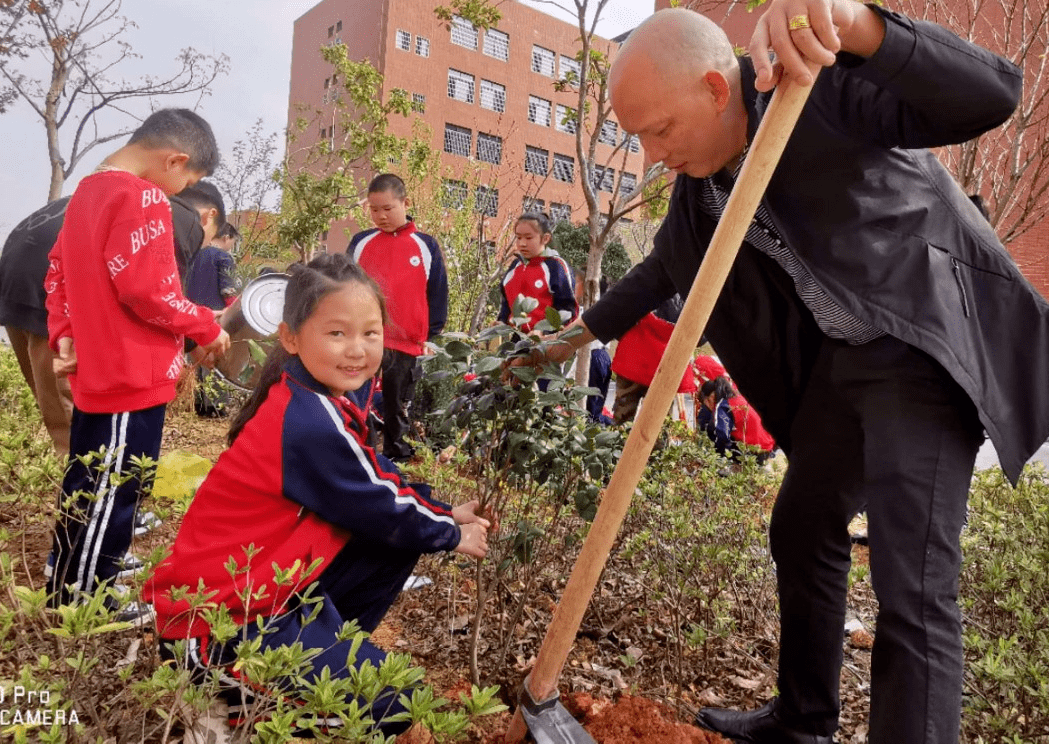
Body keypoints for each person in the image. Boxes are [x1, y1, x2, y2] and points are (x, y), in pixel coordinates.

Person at [527, 2, 1049, 742]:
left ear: (715, 89)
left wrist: (858, 25)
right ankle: (803, 722)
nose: (649, 154)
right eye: (637, 137)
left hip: (924, 346)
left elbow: (989, 94)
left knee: (913, 582)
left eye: (658, 131)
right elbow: (660, 271)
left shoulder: (817, 89)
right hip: (848, 365)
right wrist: (570, 336)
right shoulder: (702, 188)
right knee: (803, 525)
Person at [146, 254, 489, 736]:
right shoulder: (308, 421)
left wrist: (443, 510)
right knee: (398, 704)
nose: (357, 350)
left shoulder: (316, 397)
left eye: (371, 333)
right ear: (290, 337)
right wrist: (450, 533)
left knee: (390, 542)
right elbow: (379, 502)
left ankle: (311, 658)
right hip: (214, 635)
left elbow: (374, 474)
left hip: (265, 600)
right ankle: (242, 705)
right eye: (336, 333)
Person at [44, 108, 231, 619]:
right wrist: (206, 326)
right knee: (116, 485)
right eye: (186, 181)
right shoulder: (143, 196)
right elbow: (148, 290)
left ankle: (73, 568)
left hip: (98, 371)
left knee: (89, 477)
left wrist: (64, 335)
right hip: (131, 373)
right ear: (175, 159)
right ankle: (86, 598)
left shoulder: (86, 193)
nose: (179, 192)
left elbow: (57, 272)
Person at [348, 173, 448, 462]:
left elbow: (438, 292)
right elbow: (342, 285)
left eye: (387, 209)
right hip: (363, 337)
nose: (380, 216)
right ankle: (359, 452)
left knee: (397, 405)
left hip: (406, 342)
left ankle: (397, 458)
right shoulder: (361, 242)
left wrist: (431, 336)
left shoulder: (425, 245)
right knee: (356, 397)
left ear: (405, 203)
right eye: (374, 209)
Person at [0, 198, 74, 456]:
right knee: (68, 402)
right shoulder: (155, 208)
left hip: (14, 291)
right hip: (47, 296)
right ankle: (82, 482)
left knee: (50, 396)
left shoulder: (69, 203)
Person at [608, 295, 696, 425]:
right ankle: (656, 444)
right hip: (667, 365)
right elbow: (700, 336)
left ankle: (617, 443)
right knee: (658, 423)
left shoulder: (647, 287)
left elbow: (621, 316)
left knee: (622, 415)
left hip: (633, 357)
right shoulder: (689, 294)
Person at [498, 212, 578, 334]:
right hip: (515, 341)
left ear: (545, 238)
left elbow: (568, 311)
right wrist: (501, 322)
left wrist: (543, 332)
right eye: (518, 237)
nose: (522, 243)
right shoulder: (515, 266)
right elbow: (506, 304)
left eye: (529, 238)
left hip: (546, 343)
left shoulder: (556, 267)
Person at [696, 376, 740, 460]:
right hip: (765, 446)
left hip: (752, 450)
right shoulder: (735, 398)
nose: (709, 407)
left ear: (712, 397)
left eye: (707, 402)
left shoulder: (722, 406)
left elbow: (723, 435)